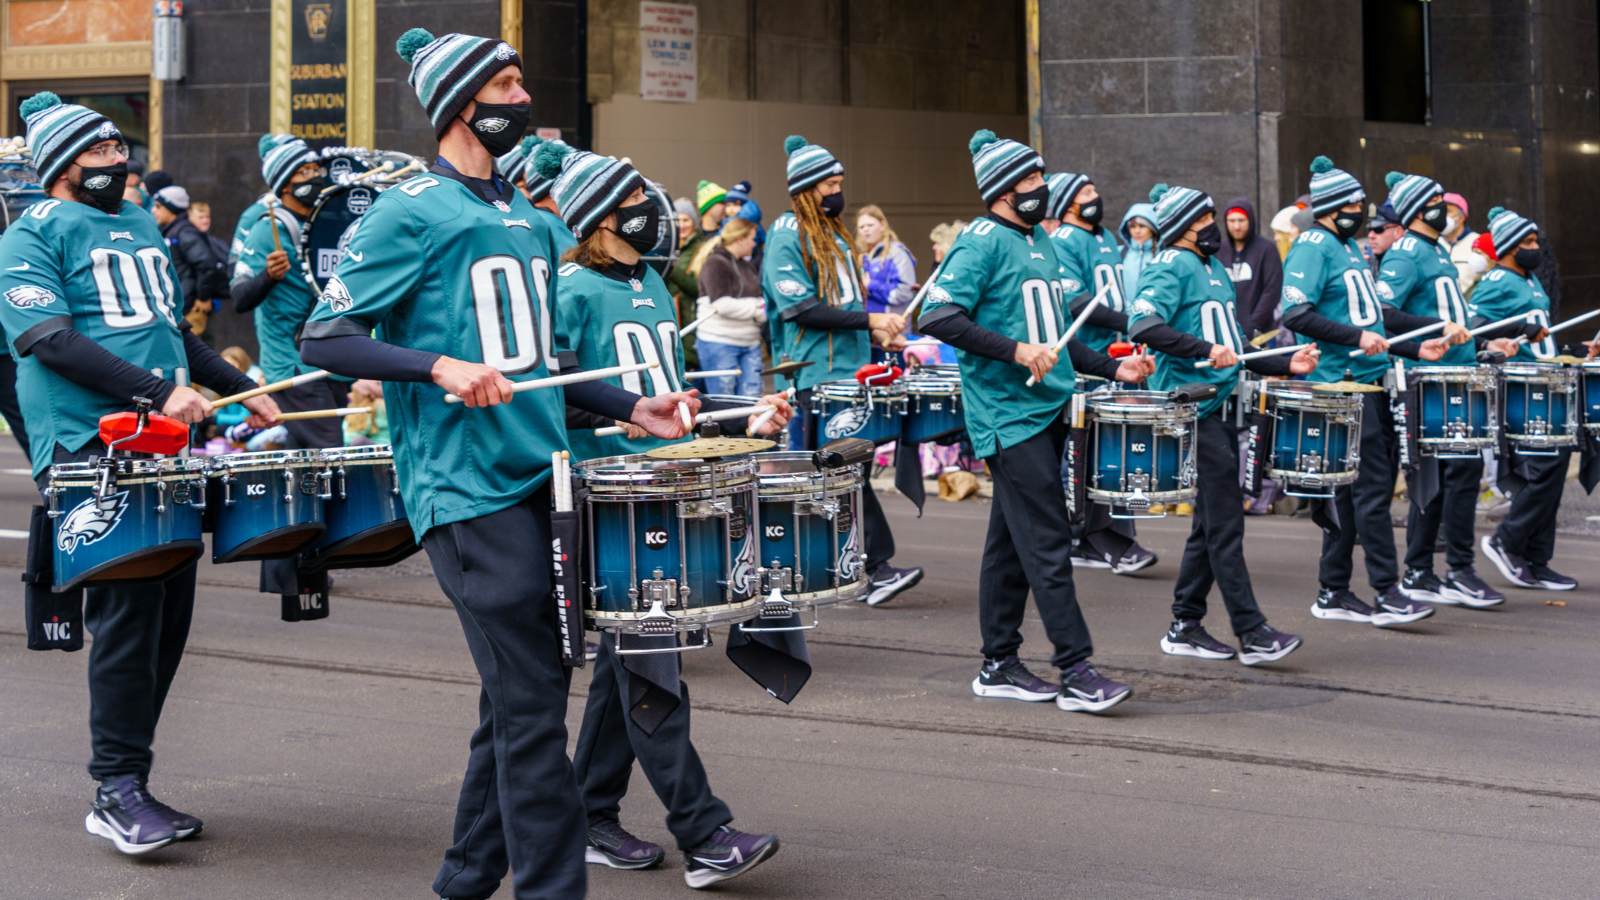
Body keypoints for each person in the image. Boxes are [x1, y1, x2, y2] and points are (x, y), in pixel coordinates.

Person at [298, 29, 700, 899]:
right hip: (465, 487)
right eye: (505, 85)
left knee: (523, 691)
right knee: (529, 702)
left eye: (522, 82)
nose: (522, 99)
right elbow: (325, 335)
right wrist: (437, 365)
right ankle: (551, 889)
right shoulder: (407, 210)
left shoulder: (526, 217)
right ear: (459, 104)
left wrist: (633, 407)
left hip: (540, 478)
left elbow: (542, 364)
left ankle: (466, 877)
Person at [0, 91, 279, 855]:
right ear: (61, 165)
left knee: (165, 622)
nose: (120, 161)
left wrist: (236, 394)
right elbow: (50, 340)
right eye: (101, 152)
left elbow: (168, 336)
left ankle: (132, 781)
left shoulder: (134, 224)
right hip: (90, 449)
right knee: (126, 619)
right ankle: (115, 789)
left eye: (121, 148)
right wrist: (159, 392)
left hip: (162, 447)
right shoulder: (31, 235)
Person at [537, 140, 793, 887]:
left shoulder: (650, 282)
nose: (652, 213)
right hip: (606, 494)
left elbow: (672, 396)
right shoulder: (568, 289)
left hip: (662, 483)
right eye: (634, 204)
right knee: (653, 663)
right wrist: (608, 425)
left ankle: (588, 814)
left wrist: (743, 419)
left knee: (632, 661)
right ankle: (704, 832)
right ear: (597, 219)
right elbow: (549, 394)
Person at [918, 129, 1153, 711]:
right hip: (1008, 414)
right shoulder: (981, 241)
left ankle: (998, 664)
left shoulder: (1040, 241)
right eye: (1028, 180)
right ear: (1001, 189)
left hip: (1047, 407)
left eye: (1039, 177)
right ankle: (1075, 668)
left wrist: (1109, 369)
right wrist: (1016, 350)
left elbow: (1056, 334)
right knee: (1048, 540)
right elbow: (937, 316)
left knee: (1008, 543)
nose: (1040, 187)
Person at [1127, 183, 1311, 664]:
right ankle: (1251, 631)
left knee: (1210, 524)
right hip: (1191, 411)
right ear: (1187, 224)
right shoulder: (1170, 264)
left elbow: (1236, 349)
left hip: (1221, 409)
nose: (1215, 226)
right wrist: (1203, 350)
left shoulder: (1213, 269)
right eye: (1207, 218)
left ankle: (1185, 624)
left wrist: (1285, 364)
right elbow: (1142, 325)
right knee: (1226, 524)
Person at [1277, 156, 1451, 627]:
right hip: (1339, 386)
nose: (1364, 209)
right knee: (1371, 491)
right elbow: (1294, 315)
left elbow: (1369, 319)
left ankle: (1333, 590)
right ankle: (1388, 591)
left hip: (1366, 382)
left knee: (1352, 496)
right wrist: (1355, 340)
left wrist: (1417, 348)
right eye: (1355, 202)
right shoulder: (1314, 244)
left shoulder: (1349, 247)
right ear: (1334, 206)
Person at [762, 134, 924, 607]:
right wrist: (871, 319)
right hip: (814, 375)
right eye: (829, 184)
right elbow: (799, 308)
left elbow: (844, 308)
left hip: (851, 371)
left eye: (839, 182)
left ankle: (845, 568)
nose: (837, 191)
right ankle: (871, 566)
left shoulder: (835, 234)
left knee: (847, 475)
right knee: (840, 475)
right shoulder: (786, 233)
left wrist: (877, 335)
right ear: (806, 189)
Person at [1375, 170, 1506, 609]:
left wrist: (1487, 341)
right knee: (1446, 477)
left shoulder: (1438, 250)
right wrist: (1437, 328)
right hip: (1429, 381)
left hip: (1455, 376)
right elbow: (1383, 313)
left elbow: (1453, 318)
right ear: (1416, 210)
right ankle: (1453, 570)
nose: (1444, 209)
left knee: (1452, 477)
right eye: (1435, 201)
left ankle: (1424, 570)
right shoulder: (1406, 253)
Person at [1044, 170, 1160, 572]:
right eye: (1087, 192)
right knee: (1082, 455)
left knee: (1112, 452)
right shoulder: (1062, 240)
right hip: (1086, 361)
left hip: (1115, 360)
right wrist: (1132, 322)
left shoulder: (1107, 237)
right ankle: (1087, 539)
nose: (1097, 196)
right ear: (1068, 203)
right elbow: (1076, 303)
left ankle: (1100, 540)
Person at [1472, 208, 1578, 592]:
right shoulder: (1496, 281)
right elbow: (1473, 331)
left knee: (1554, 469)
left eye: (1536, 241)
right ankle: (1506, 541)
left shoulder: (1531, 280)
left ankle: (1537, 559)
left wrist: (1581, 348)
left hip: (1549, 383)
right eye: (1528, 243)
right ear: (1509, 248)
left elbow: (1544, 342)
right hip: (1523, 387)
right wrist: (1517, 330)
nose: (1536, 249)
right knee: (1545, 470)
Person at [230, 134, 346, 448]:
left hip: (330, 360)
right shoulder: (267, 228)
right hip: (293, 364)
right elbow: (239, 298)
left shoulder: (328, 223)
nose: (315, 177)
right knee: (331, 455)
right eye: (303, 172)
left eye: (315, 170)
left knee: (308, 457)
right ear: (284, 184)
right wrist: (268, 275)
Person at [690, 217, 766, 396]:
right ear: (740, 239)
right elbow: (722, 305)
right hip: (719, 342)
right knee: (724, 403)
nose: (755, 244)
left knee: (752, 400)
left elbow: (762, 302)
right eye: (752, 239)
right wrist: (756, 308)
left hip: (750, 343)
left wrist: (758, 307)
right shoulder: (715, 263)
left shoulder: (747, 266)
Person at [1216, 197, 1281, 338]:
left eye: (1241, 220)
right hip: (1227, 333)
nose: (1236, 226)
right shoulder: (1219, 251)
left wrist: (1253, 325)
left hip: (1260, 334)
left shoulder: (1267, 249)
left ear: (1250, 221)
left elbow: (1272, 291)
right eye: (1232, 221)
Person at [857, 204, 917, 315]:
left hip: (892, 327)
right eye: (861, 227)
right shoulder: (862, 257)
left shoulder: (897, 253)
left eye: (870, 225)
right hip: (868, 326)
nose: (866, 230)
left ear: (882, 225)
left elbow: (905, 292)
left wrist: (871, 286)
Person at [1119, 202, 1157, 300]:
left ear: (1153, 229)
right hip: (1124, 314)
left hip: (1154, 313)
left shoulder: (1164, 256)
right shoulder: (1118, 253)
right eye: (1133, 226)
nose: (1137, 231)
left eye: (1142, 226)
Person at [342, 379, 388, 445]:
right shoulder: (383, 405)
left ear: (362, 395)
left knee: (358, 440)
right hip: (388, 445)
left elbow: (351, 436)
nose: (349, 394)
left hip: (379, 447)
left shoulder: (371, 408)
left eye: (353, 392)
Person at [1365, 201, 1405, 271]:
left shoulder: (1408, 263)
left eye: (1378, 229)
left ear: (1398, 232)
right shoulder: (1368, 261)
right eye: (1369, 230)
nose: (1370, 235)